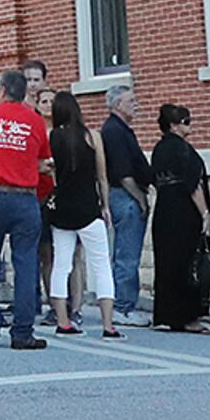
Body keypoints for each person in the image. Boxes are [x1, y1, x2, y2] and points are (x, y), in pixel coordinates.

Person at [0, 68, 52, 349]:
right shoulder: (35, 120)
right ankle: (23, 330)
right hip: (25, 198)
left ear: (1, 90)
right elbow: (43, 160)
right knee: (26, 263)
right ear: (23, 91)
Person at [43, 87, 119, 338]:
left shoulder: (51, 136)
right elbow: (102, 176)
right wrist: (105, 206)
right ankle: (108, 325)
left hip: (62, 208)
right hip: (89, 206)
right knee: (101, 265)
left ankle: (62, 321)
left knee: (61, 265)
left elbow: (47, 171)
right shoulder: (92, 136)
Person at [149, 102, 210, 333]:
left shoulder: (159, 149)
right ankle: (189, 317)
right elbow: (193, 183)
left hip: (164, 210)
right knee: (188, 262)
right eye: (186, 122)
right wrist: (205, 213)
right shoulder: (183, 150)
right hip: (184, 212)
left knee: (167, 263)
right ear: (174, 126)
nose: (190, 126)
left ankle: (166, 315)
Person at [100, 84, 150, 321]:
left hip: (123, 195)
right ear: (118, 104)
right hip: (124, 196)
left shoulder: (121, 129)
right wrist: (140, 198)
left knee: (126, 254)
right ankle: (122, 306)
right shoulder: (114, 131)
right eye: (131, 101)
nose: (136, 105)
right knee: (127, 255)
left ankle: (123, 304)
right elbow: (123, 172)